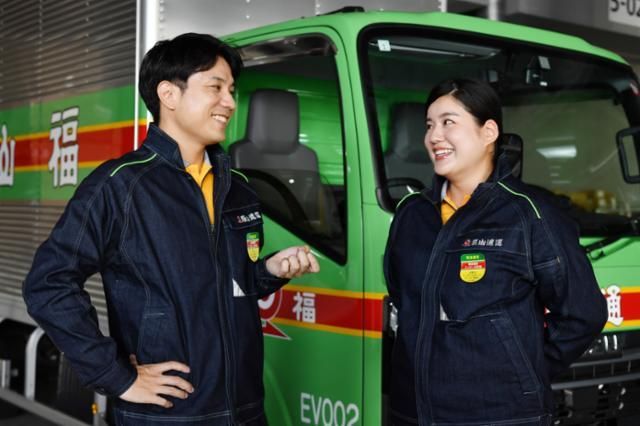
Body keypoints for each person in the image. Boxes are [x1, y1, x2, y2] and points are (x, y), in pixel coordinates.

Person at [23, 33, 319, 425]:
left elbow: (223, 284)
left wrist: (268, 271)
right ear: (169, 95)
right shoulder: (120, 186)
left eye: (231, 90)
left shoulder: (238, 189)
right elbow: (48, 283)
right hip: (167, 415)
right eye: (215, 87)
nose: (230, 102)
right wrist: (117, 377)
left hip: (245, 409)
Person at [383, 78, 607, 426]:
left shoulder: (529, 214)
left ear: (488, 132)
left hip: (502, 414)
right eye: (429, 125)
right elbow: (407, 300)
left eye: (448, 122)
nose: (434, 136)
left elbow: (583, 313)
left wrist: (520, 374)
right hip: (413, 412)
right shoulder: (412, 214)